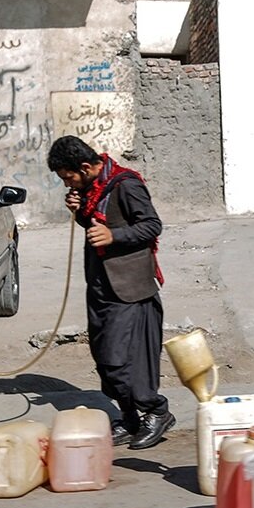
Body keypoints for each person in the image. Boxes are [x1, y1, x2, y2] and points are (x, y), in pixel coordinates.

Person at [46, 135, 174, 450]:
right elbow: (94, 227)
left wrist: (113, 235)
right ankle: (129, 418)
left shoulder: (125, 185)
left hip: (129, 287)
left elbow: (151, 226)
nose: (67, 184)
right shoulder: (90, 189)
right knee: (104, 358)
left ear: (86, 167)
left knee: (124, 360)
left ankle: (156, 411)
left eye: (68, 177)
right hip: (101, 286)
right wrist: (80, 213)